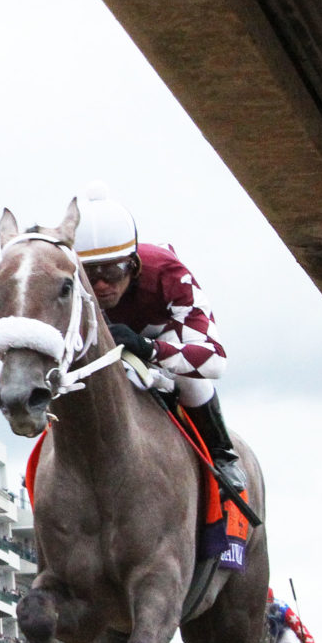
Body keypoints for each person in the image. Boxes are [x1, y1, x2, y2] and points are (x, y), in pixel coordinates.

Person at [74, 181, 246, 491]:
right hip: (104, 347)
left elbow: (214, 360)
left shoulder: (169, 272)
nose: (100, 287)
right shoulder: (70, 287)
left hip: (162, 337)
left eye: (112, 272)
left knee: (192, 382)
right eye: (90, 274)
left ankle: (222, 453)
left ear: (134, 265)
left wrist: (149, 349)